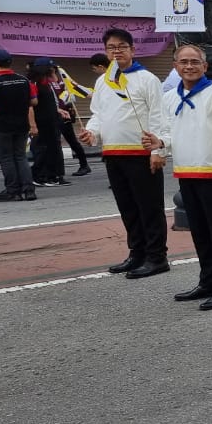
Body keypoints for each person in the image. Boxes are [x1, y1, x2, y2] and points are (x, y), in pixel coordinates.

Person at [142, 44, 212, 310]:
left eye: (194, 62)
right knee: (199, 232)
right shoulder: (169, 98)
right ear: (175, 66)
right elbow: (168, 133)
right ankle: (207, 280)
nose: (189, 66)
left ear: (205, 66)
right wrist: (159, 144)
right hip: (186, 173)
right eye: (183, 62)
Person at [78, 29, 171, 279]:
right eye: (111, 47)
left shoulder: (146, 79)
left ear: (132, 49)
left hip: (141, 153)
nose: (116, 51)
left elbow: (158, 115)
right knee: (128, 207)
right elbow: (99, 114)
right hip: (113, 153)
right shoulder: (103, 81)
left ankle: (157, 257)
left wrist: (158, 150)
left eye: (121, 46)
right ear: (106, 52)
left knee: (149, 207)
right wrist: (91, 133)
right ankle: (137, 253)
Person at [0, 48, 38, 202]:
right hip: (21, 125)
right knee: (21, 157)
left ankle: (13, 191)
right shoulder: (23, 80)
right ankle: (29, 190)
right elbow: (34, 101)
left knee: (6, 159)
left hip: (0, 127)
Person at [27, 60, 67, 187]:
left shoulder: (47, 82)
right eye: (50, 68)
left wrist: (58, 110)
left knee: (53, 149)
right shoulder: (34, 83)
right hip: (41, 123)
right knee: (42, 150)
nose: (53, 70)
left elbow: (51, 101)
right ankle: (39, 176)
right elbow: (30, 106)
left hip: (51, 121)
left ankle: (52, 175)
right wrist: (33, 125)